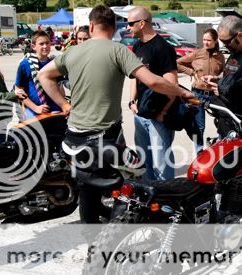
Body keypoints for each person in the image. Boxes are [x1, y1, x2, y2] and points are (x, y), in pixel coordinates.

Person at [38, 5, 194, 223]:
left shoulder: (72, 51)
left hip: (74, 137)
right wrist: (181, 92)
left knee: (87, 186)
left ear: (91, 25)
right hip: (105, 137)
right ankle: (127, 229)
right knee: (132, 178)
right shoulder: (118, 51)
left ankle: (91, 233)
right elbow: (152, 81)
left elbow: (44, 75)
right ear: (113, 28)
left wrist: (64, 104)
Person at [127, 6, 179, 181]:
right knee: (144, 162)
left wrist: (163, 113)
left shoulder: (163, 48)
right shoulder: (137, 46)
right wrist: (132, 102)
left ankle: (167, 206)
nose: (127, 27)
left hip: (158, 117)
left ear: (141, 23)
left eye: (130, 24)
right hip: (141, 114)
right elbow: (135, 76)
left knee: (161, 165)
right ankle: (149, 204)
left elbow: (172, 85)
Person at [176, 28, 225, 153]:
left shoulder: (220, 57)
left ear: (215, 41)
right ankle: (199, 153)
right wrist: (191, 72)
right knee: (199, 127)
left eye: (209, 40)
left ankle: (219, 148)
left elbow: (225, 74)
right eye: (204, 40)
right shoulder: (197, 53)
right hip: (197, 94)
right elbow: (177, 63)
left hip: (214, 95)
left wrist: (216, 78)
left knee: (223, 123)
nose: (206, 42)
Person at [14, 30, 62, 119]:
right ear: (33, 46)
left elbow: (60, 86)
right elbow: (19, 91)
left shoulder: (54, 63)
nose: (45, 46)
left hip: (55, 108)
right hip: (34, 110)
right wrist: (36, 108)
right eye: (41, 44)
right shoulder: (25, 64)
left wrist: (62, 105)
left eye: (47, 43)